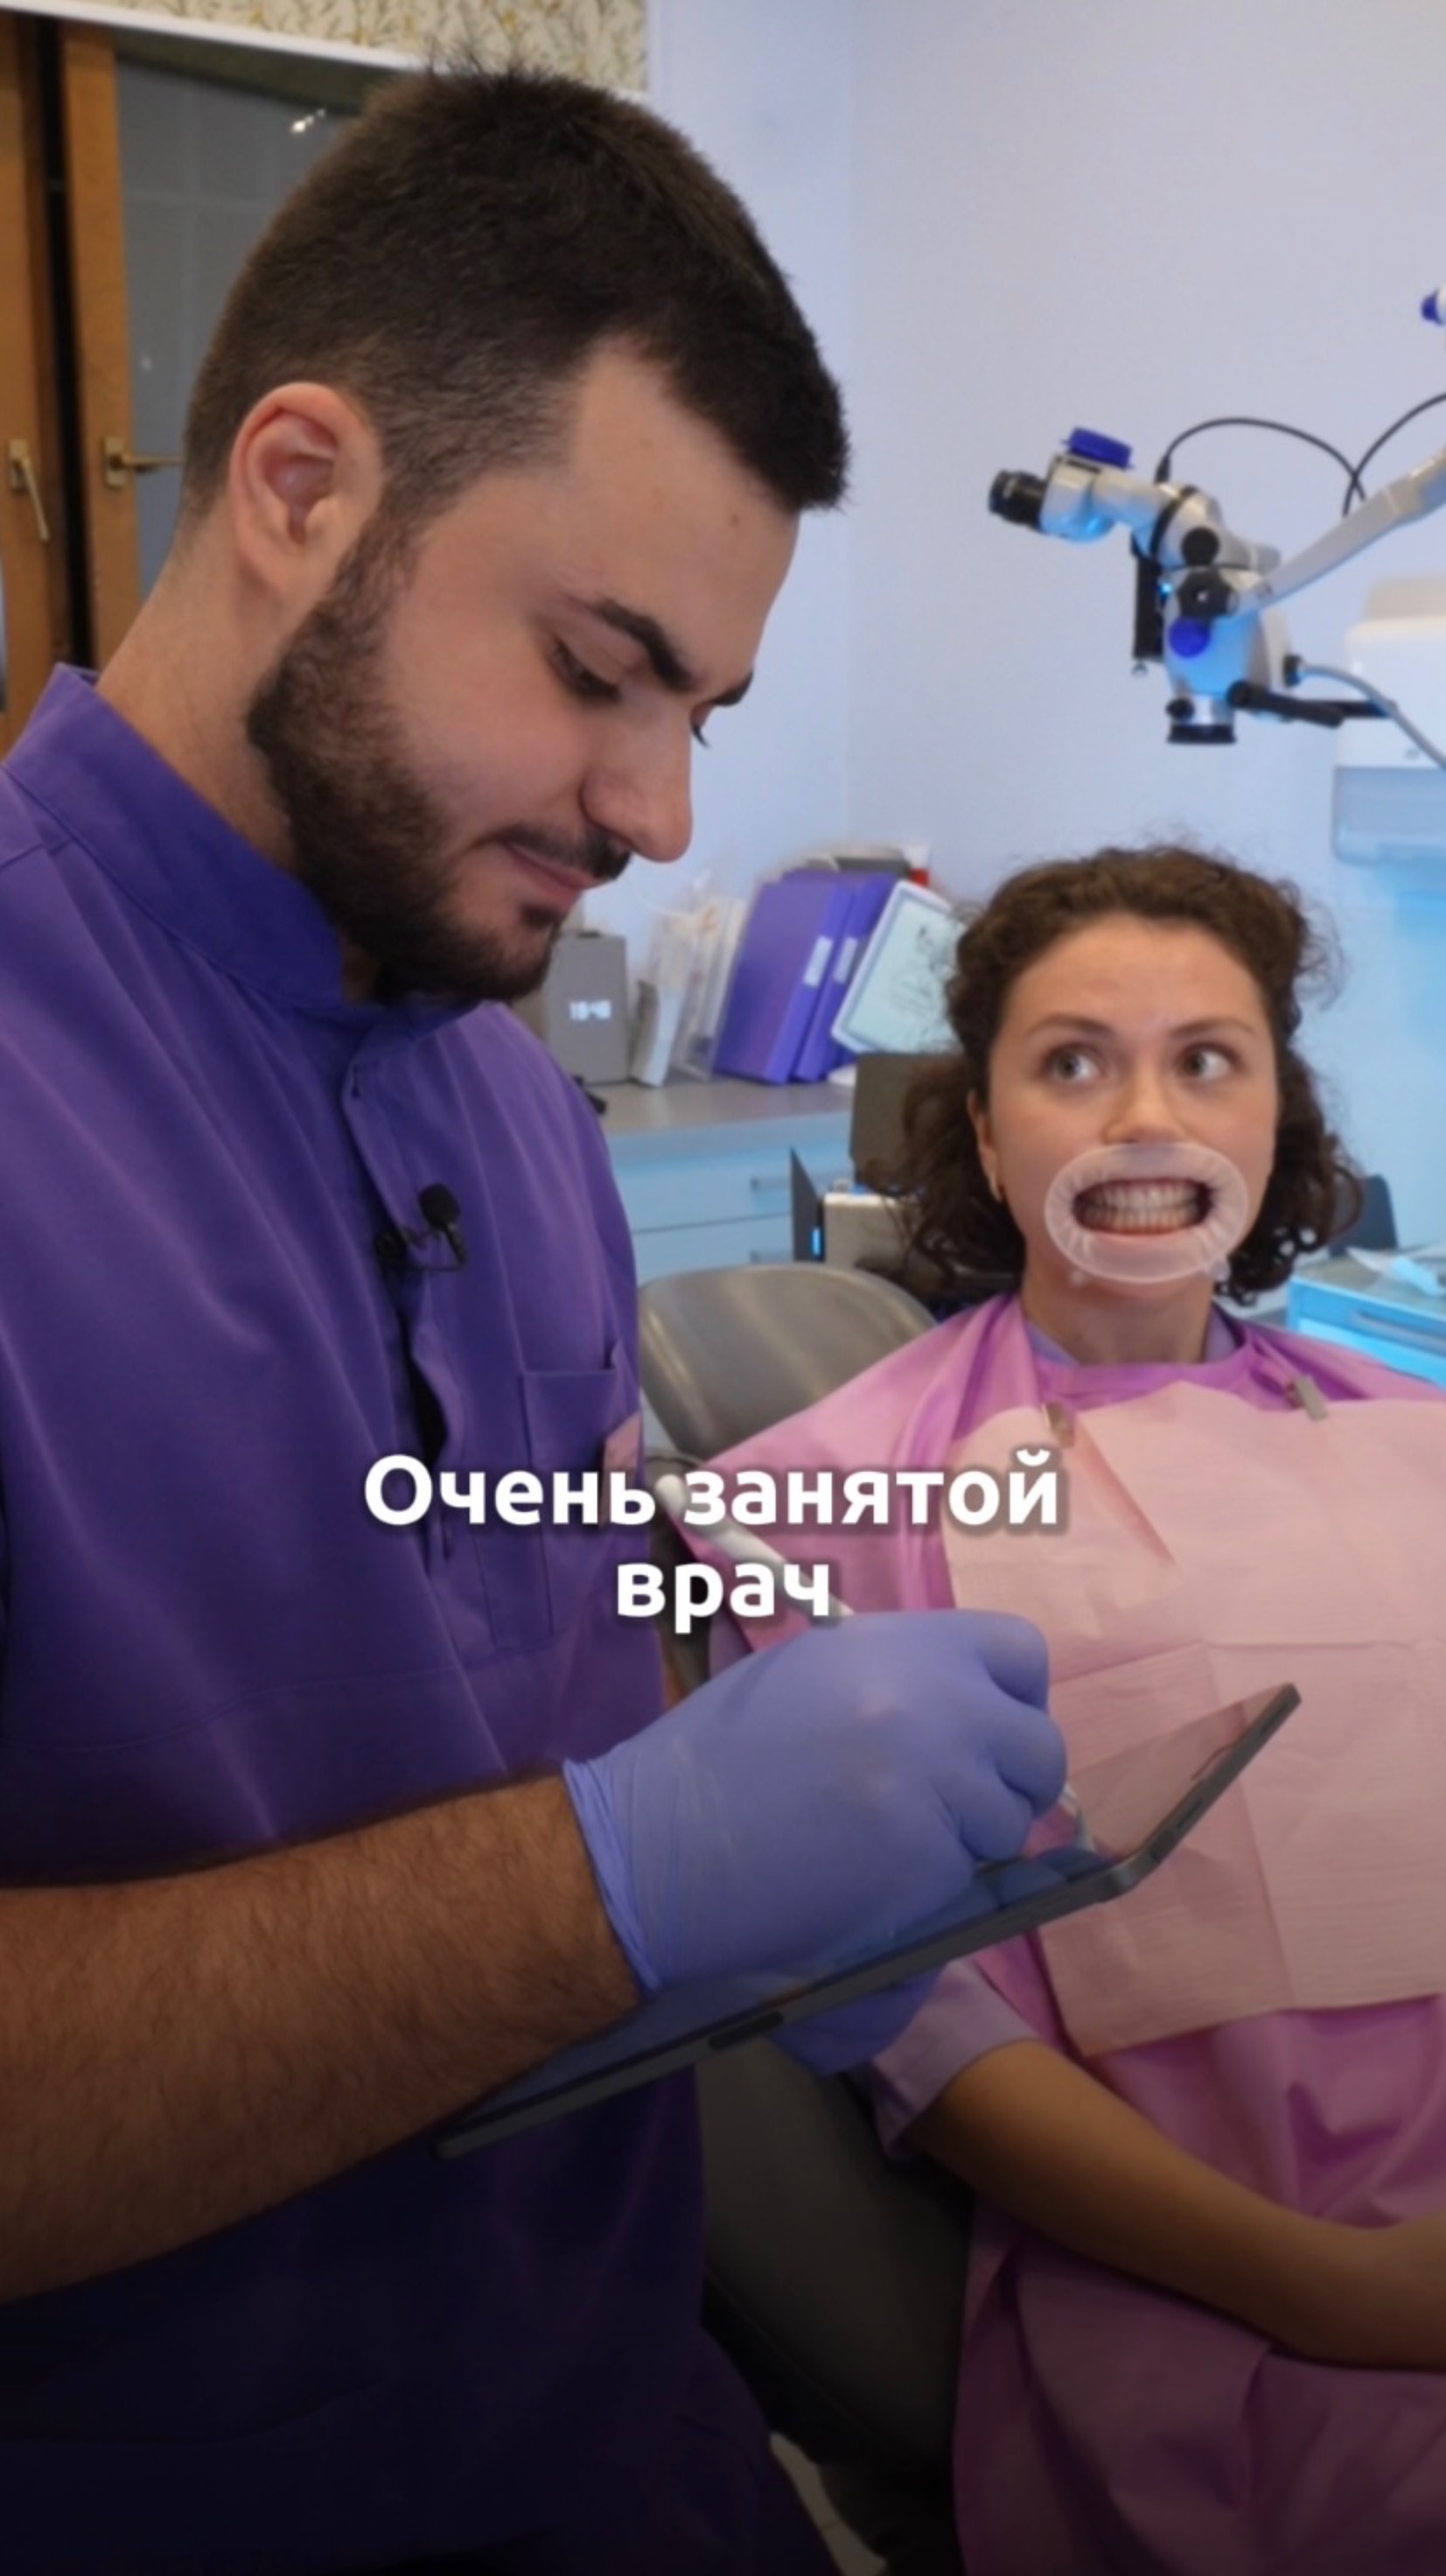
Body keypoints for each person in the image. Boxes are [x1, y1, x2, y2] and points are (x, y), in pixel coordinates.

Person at [0, 67, 1071, 2576]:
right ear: (299, 490)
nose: (662, 809)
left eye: (698, 711)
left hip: (635, 2455)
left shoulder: (506, 1108)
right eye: (600, 669)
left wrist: (788, 1845)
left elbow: (537, 1648)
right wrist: (619, 1879)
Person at [697, 846, 1446, 2576]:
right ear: (982, 1133)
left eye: (1205, 1059)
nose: (1142, 1118)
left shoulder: (1406, 1433)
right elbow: (908, 2015)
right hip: (1245, 2316)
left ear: (1274, 1115)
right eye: (1071, 1062)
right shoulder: (833, 1495)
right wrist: (1328, 2293)